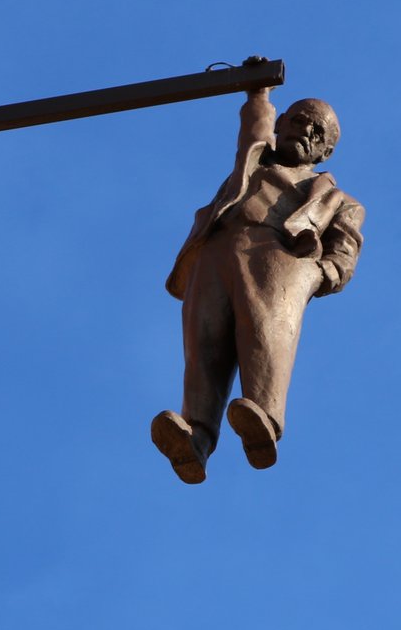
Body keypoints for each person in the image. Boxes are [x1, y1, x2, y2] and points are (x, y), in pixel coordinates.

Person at [151, 74, 364, 484]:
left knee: (266, 337)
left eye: (317, 131)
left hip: (280, 260)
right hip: (218, 250)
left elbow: (345, 252)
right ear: (282, 122)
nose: (306, 130)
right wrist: (258, 93)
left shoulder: (342, 201)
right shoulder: (253, 160)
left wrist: (318, 273)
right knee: (204, 343)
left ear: (326, 150)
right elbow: (254, 124)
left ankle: (263, 419)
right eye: (300, 119)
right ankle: (194, 436)